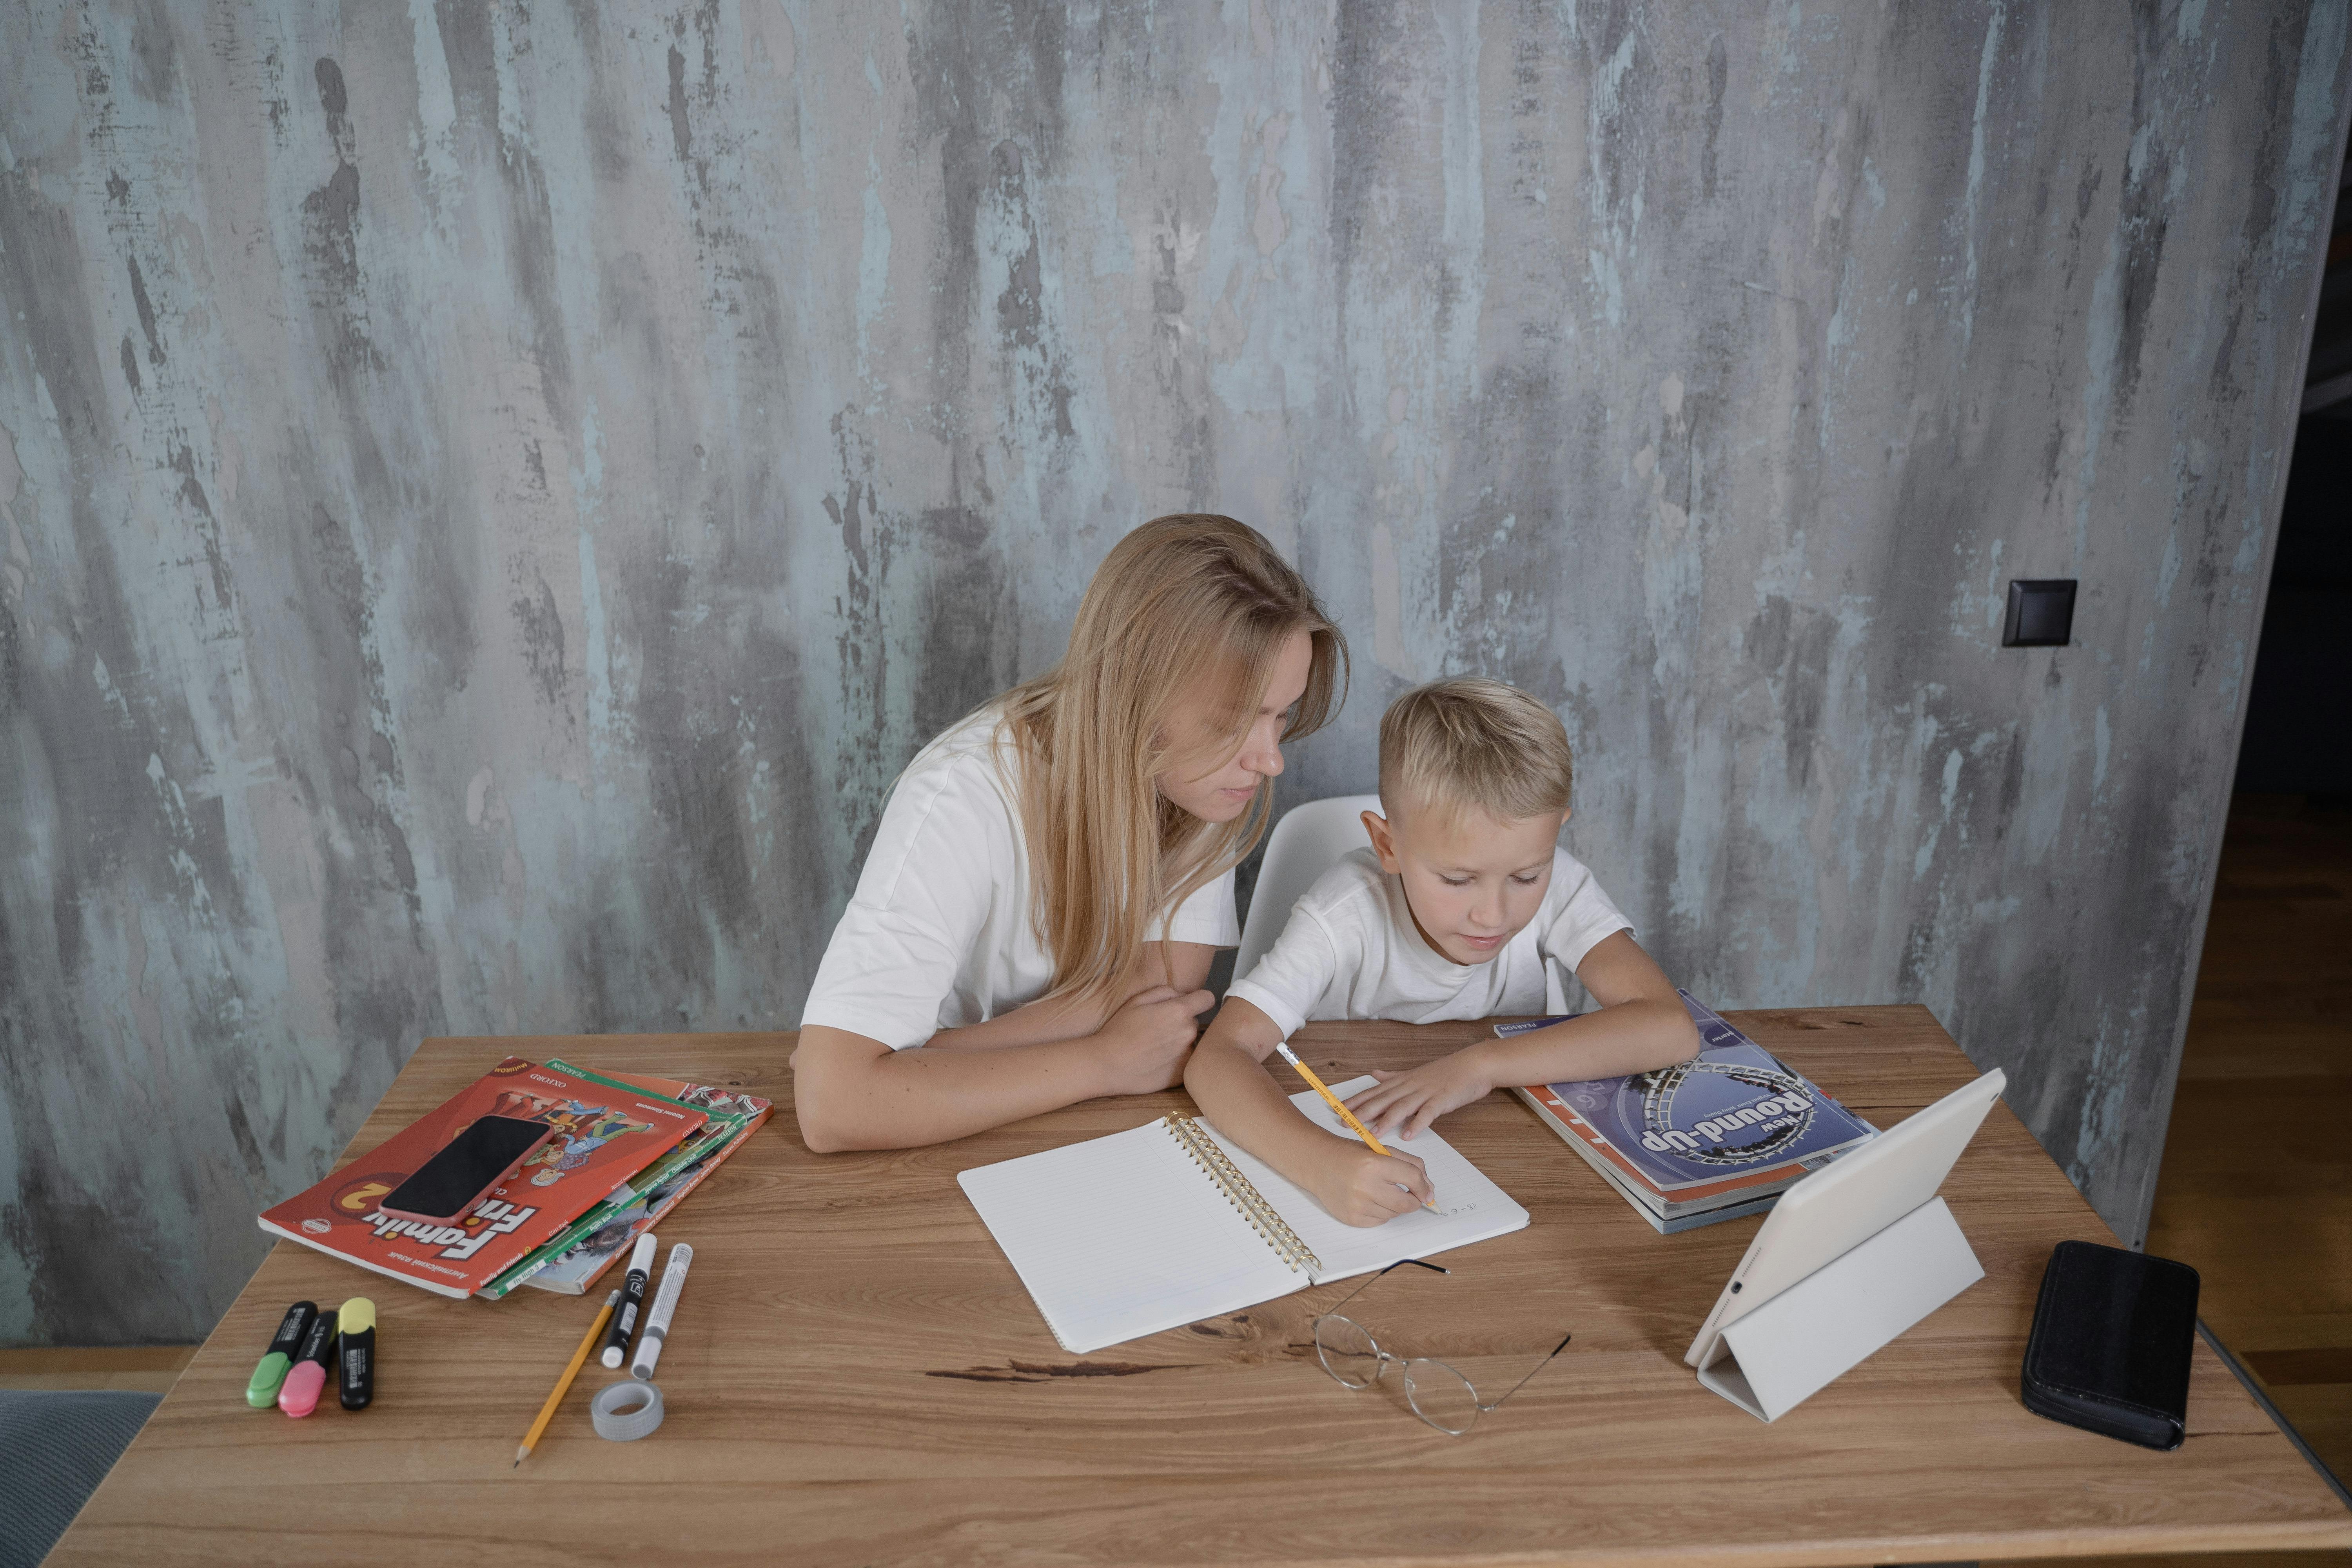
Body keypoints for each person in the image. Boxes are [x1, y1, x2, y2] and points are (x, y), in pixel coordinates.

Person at [792, 515, 1348, 1151]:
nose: (1271, 759)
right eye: (1233, 723)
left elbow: (1160, 998)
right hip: (936, 1143)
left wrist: (926, 1059)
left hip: (1043, 1121)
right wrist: (1104, 1060)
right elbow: (834, 1103)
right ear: (1134, 695)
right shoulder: (964, 794)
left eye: (1282, 716)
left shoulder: (1199, 783)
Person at [1184, 677, 1700, 1224]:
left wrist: (1479, 1067)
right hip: (1365, 1141)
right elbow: (1218, 1059)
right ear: (1388, 846)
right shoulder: (1344, 913)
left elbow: (1670, 1028)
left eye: (1527, 875)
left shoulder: (1565, 886)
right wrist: (1323, 1165)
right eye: (1458, 880)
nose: (1494, 915)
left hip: (1520, 1153)